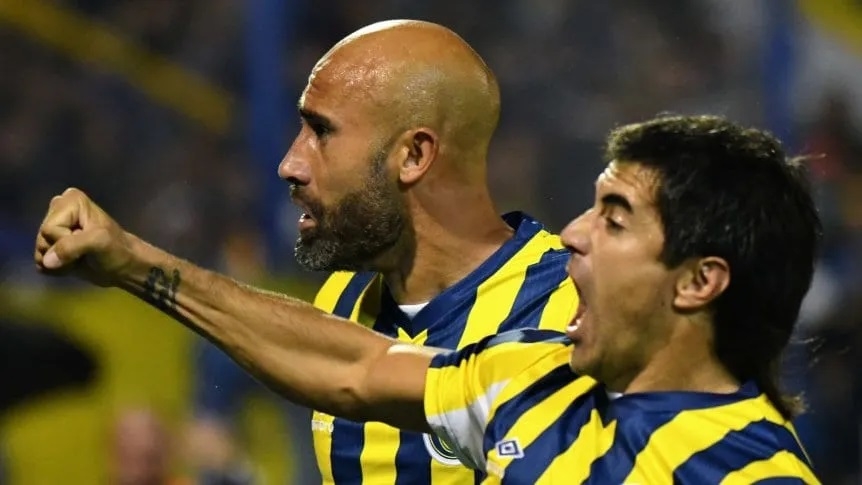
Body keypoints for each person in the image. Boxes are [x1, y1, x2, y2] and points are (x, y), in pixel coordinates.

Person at [35, 114, 822, 483]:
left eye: (613, 219)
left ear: (699, 280)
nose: (572, 233)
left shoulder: (751, 473)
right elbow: (352, 366)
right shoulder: (529, 380)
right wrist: (133, 262)